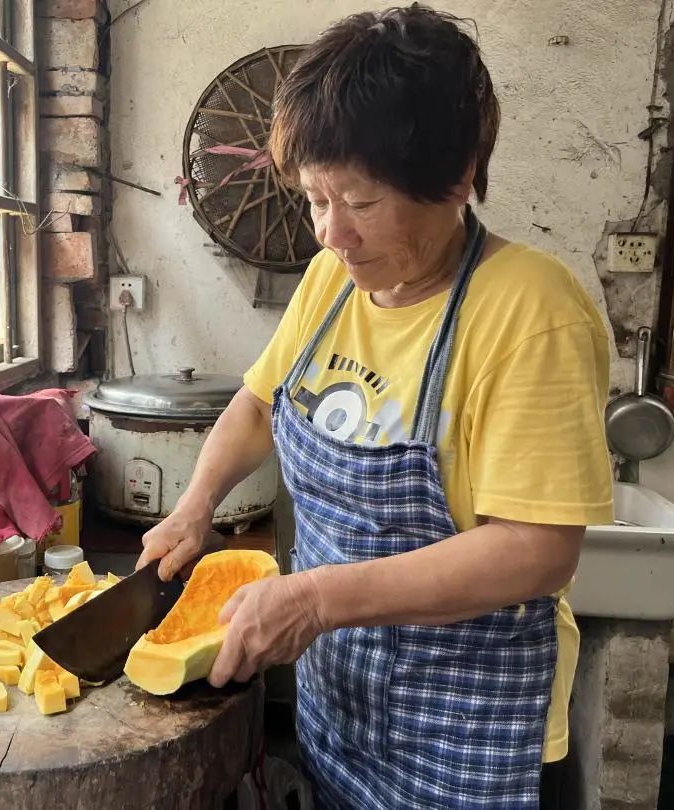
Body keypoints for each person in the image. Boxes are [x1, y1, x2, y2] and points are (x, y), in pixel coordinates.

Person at [137, 6, 613, 809]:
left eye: (357, 202)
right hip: (343, 707)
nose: (332, 233)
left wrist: (316, 598)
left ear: (456, 178)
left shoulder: (533, 311)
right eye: (314, 200)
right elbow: (257, 404)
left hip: (471, 735)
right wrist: (194, 505)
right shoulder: (333, 281)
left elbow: (537, 551)